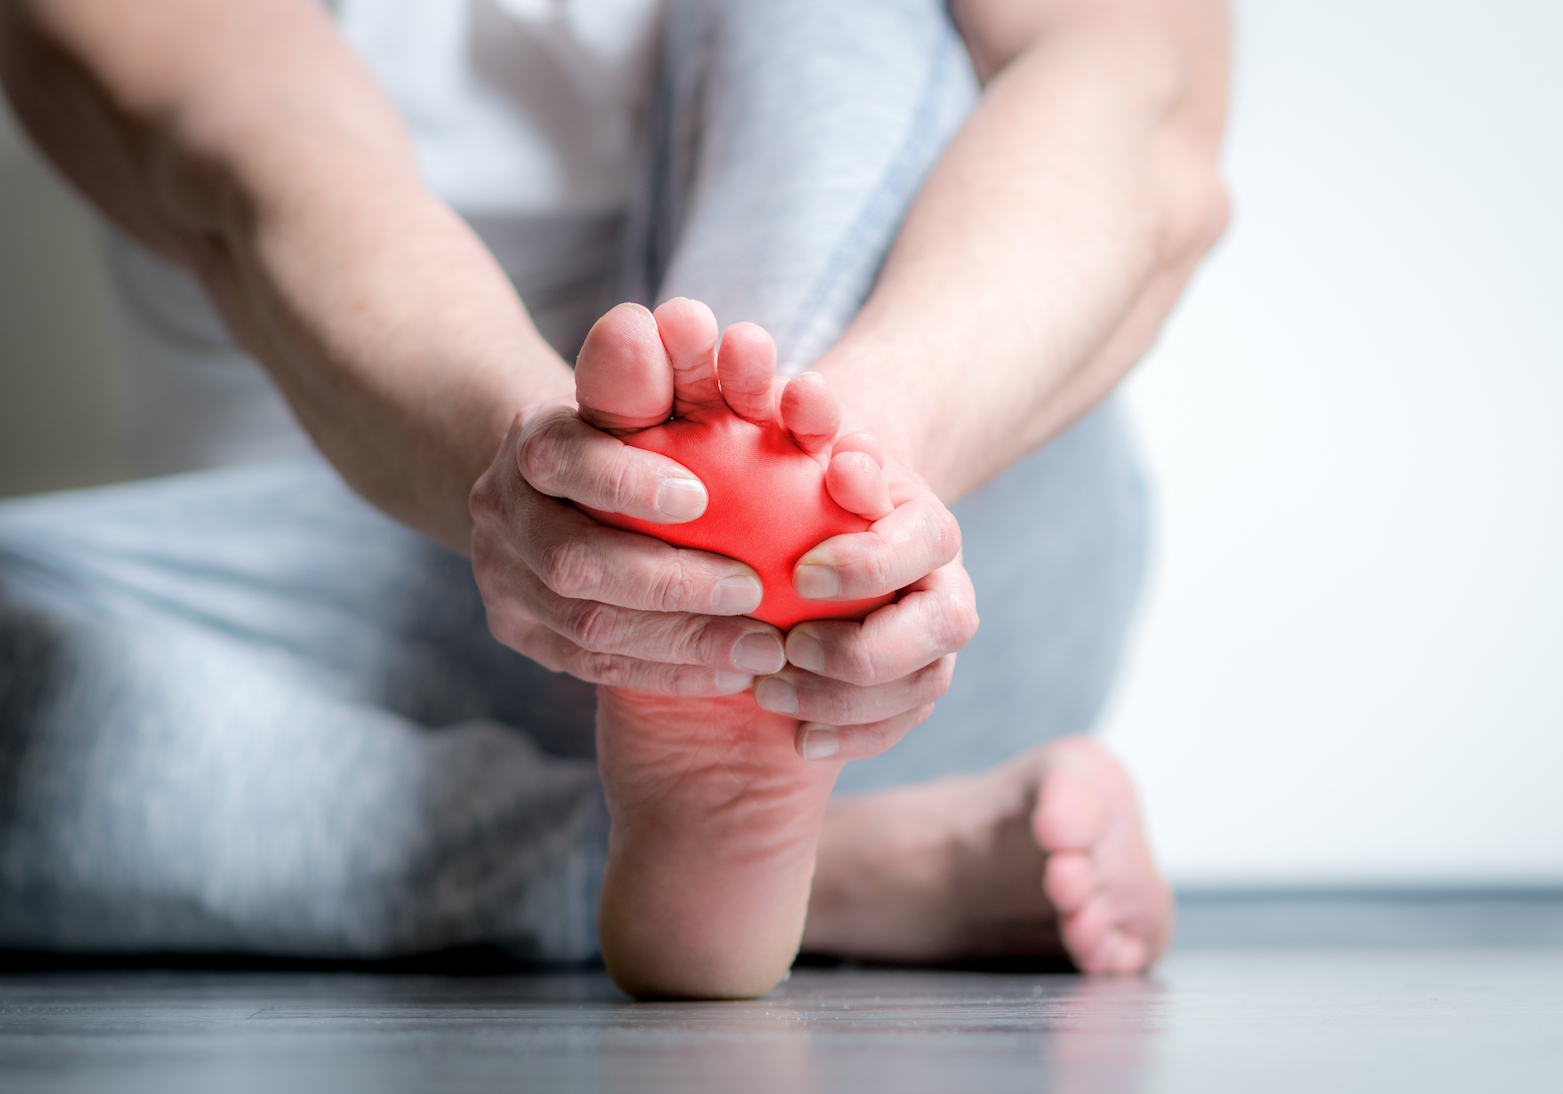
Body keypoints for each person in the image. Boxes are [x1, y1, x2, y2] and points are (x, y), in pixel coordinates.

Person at [0, 0, 1228, 997]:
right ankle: (829, 865)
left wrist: (857, 473)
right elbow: (262, 165)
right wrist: (529, 470)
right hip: (345, 664)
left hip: (913, 599)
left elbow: (1139, 112)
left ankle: (772, 559)